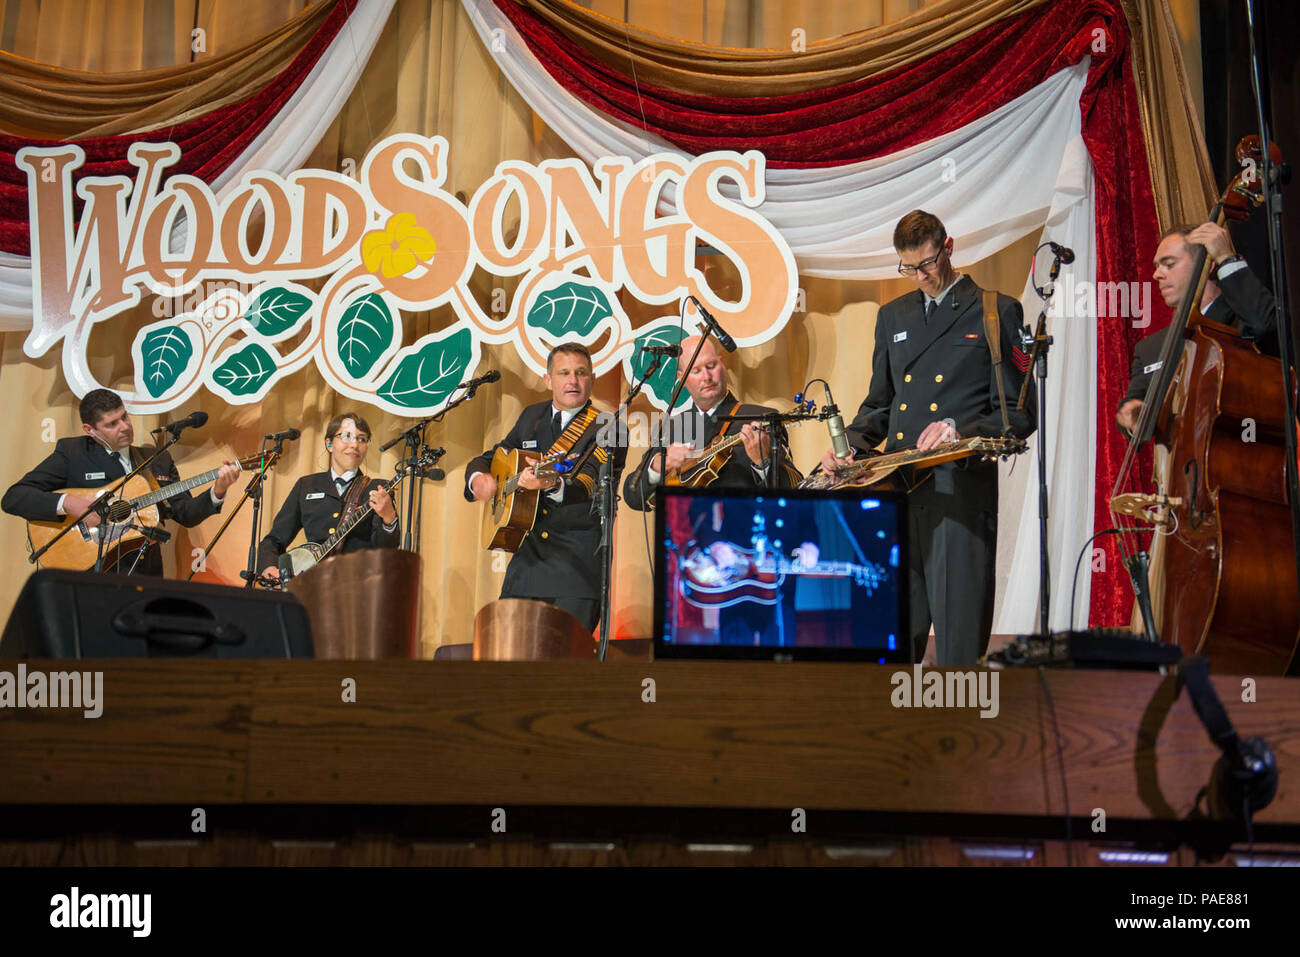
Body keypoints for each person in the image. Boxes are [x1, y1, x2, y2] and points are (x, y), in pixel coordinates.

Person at [819, 209, 1035, 666]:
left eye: (928, 263)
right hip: (897, 491)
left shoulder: (996, 310)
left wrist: (960, 430)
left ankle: (960, 732)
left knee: (958, 648)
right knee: (893, 637)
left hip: (958, 494)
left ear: (949, 247)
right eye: (908, 268)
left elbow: (1018, 413)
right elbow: (879, 405)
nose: (920, 276)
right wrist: (849, 449)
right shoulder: (892, 315)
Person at [464, 342, 627, 632]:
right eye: (564, 373)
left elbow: (590, 482)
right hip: (525, 566)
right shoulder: (531, 417)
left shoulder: (610, 426)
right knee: (509, 663)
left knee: (562, 669)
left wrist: (551, 484)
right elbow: (494, 457)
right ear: (548, 380)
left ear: (593, 379)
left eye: (580, 373)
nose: (573, 381)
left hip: (575, 571)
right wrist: (478, 478)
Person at [2, 388, 239, 574]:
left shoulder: (156, 459)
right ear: (90, 430)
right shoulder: (72, 453)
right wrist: (69, 503)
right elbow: (14, 497)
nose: (125, 427)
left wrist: (218, 490)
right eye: (112, 424)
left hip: (144, 573)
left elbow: (186, 514)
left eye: (124, 417)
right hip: (91, 574)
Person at [1116, 222, 1277, 435]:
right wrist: (1132, 416)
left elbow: (1265, 324)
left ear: (1207, 265)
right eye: (1156, 266)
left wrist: (1226, 258)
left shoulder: (1243, 319)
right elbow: (1132, 405)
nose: (1156, 275)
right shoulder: (1149, 349)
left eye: (1169, 264)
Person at [622, 334, 801, 510]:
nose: (706, 377)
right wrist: (659, 466)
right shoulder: (673, 426)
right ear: (681, 378)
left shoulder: (761, 417)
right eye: (696, 371)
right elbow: (632, 495)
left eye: (711, 366)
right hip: (683, 536)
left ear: (721, 365)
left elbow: (794, 486)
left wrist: (763, 463)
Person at [258, 412, 399, 580]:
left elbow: (386, 551)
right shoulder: (306, 485)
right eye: (346, 437)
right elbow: (275, 539)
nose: (354, 444)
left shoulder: (378, 489)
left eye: (362, 439)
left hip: (358, 588)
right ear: (329, 443)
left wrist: (389, 519)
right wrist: (269, 566)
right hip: (311, 586)